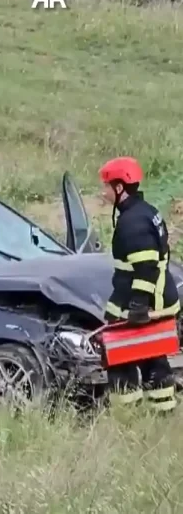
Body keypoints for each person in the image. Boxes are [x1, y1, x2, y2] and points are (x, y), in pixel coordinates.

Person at [99, 156, 180, 413]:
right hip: (155, 298)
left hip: (146, 303)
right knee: (152, 357)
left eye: (107, 186)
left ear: (119, 187)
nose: (104, 191)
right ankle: (163, 410)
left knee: (120, 357)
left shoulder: (132, 222)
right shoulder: (147, 212)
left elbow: (146, 266)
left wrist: (138, 305)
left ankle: (126, 414)